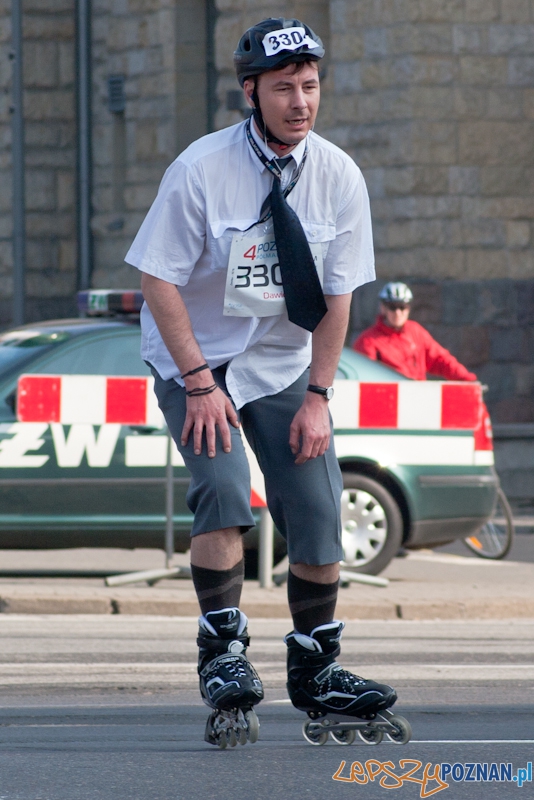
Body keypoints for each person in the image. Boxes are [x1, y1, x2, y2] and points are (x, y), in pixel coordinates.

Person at [125, 17, 398, 746]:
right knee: (221, 490)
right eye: (284, 88)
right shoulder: (201, 168)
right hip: (199, 356)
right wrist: (198, 381)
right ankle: (223, 655)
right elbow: (157, 277)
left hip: (280, 362)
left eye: (310, 87)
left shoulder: (338, 174)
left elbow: (339, 296)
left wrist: (319, 397)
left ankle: (316, 667)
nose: (301, 102)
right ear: (252, 92)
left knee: (317, 506)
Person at [354, 282, 477, 381]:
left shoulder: (415, 331)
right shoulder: (368, 341)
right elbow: (364, 377)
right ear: (383, 308)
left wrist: (467, 379)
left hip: (418, 397)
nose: (398, 313)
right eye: (392, 307)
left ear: (408, 309)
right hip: (388, 401)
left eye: (402, 307)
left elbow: (440, 359)